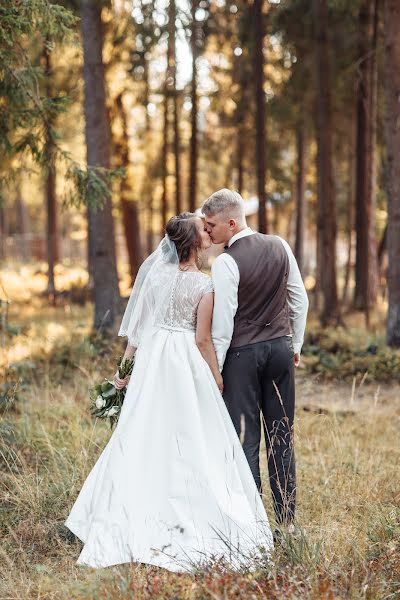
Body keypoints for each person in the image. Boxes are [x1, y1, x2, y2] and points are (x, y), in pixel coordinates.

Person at [65, 212, 273, 572]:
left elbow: (137, 333)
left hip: (152, 360)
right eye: (202, 230)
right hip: (183, 363)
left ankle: (125, 509)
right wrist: (216, 376)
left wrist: (122, 373)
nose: (208, 233)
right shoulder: (205, 286)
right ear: (194, 243)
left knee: (143, 432)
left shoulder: (155, 276)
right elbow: (203, 339)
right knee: (190, 434)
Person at [202, 189, 309, 529]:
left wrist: (215, 371)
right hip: (280, 349)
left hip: (242, 357)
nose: (207, 232)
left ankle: (255, 524)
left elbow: (223, 324)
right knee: (281, 435)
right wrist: (295, 346)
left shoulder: (226, 263)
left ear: (231, 223)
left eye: (211, 225)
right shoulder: (280, 245)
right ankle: (287, 522)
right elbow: (299, 300)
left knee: (246, 439)